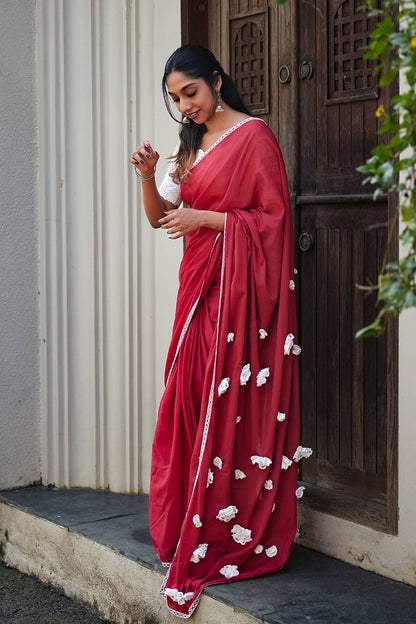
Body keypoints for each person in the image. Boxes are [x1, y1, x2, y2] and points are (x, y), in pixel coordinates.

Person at [129, 44, 309, 619]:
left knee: (221, 401)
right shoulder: (191, 145)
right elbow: (161, 219)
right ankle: (189, 516)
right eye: (176, 98)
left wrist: (208, 219)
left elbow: (274, 219)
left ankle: (226, 521)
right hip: (198, 292)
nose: (185, 107)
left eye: (192, 93)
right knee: (188, 399)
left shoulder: (254, 137)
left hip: (236, 300)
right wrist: (148, 177)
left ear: (217, 81)